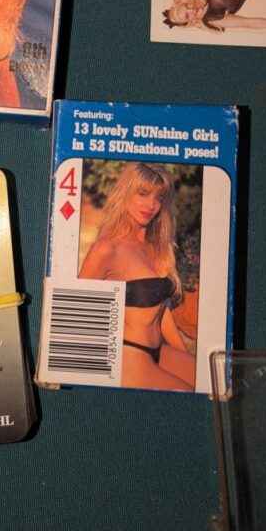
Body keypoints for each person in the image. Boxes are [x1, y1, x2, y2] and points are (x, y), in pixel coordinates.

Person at [79, 163, 195, 391]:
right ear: (125, 193)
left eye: (158, 197)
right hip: (128, 354)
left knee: (209, 379)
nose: (151, 205)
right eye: (143, 193)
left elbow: (161, 311)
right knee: (189, 396)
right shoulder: (107, 249)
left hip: (159, 350)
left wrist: (183, 353)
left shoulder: (157, 247)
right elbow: (78, 310)